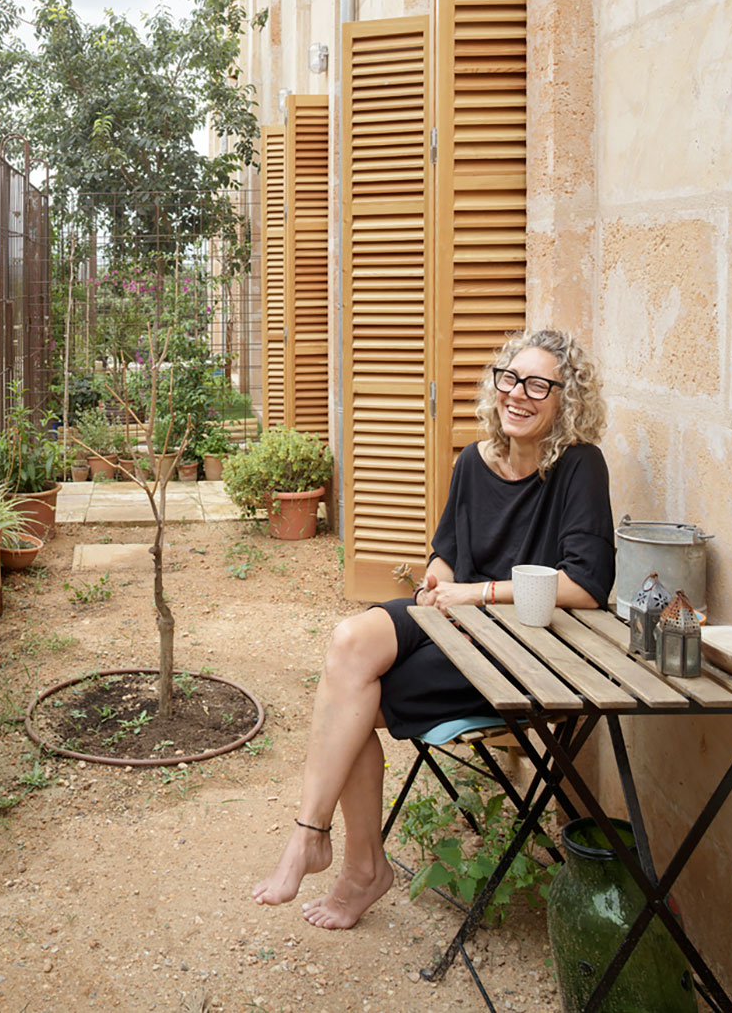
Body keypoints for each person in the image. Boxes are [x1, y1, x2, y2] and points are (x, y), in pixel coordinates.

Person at [251, 327, 615, 930]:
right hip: (453, 622)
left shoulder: (579, 466)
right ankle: (312, 836)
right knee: (349, 643)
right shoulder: (473, 461)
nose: (517, 394)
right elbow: (445, 553)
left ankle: (357, 867)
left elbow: (586, 584)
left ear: (565, 400)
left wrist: (475, 593)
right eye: (510, 379)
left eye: (538, 386)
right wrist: (437, 584)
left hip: (516, 648)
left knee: (352, 706)